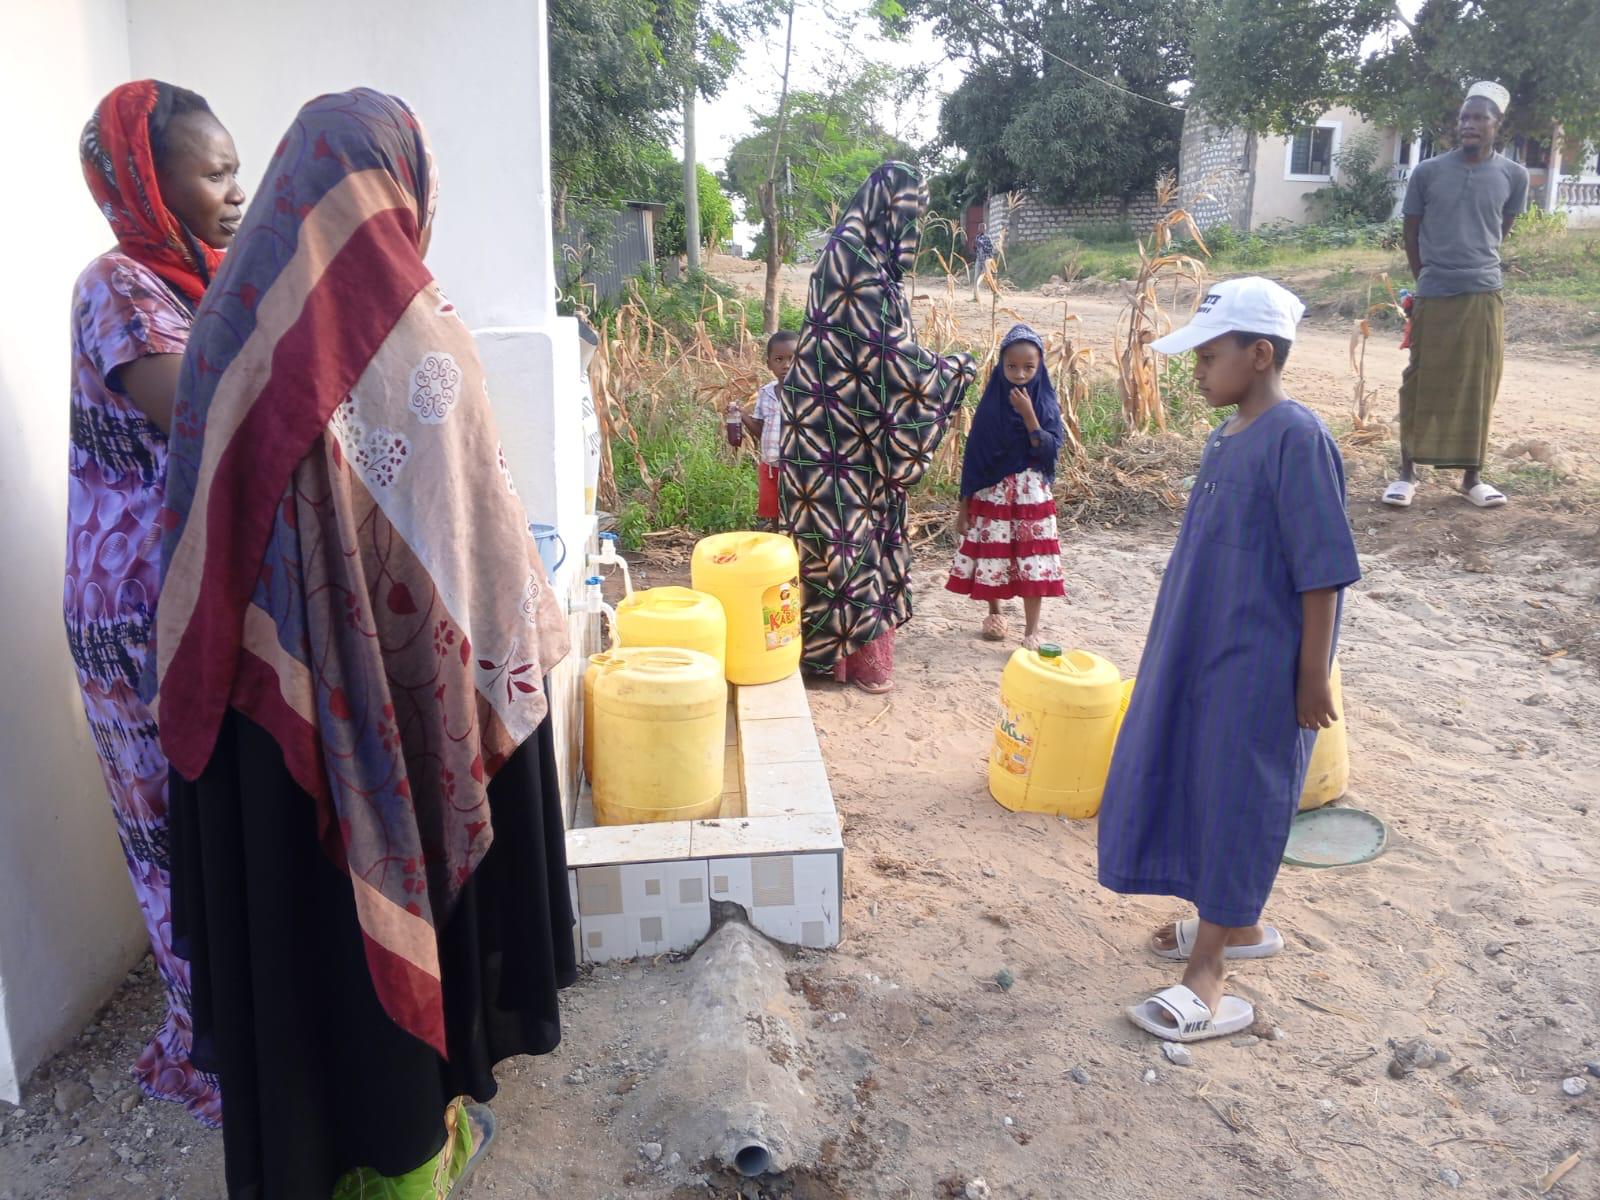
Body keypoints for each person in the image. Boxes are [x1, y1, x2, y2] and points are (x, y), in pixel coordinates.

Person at [153, 90, 576, 1198]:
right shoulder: (413, 330)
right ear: (398, 186)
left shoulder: (225, 330)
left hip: (259, 722)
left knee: (295, 952)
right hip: (383, 722)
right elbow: (479, 552)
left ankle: (321, 1165)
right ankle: (407, 1158)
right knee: (378, 932)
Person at [1098, 277, 1360, 1043]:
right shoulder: (1228, 435)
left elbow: (1321, 571)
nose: (1197, 372)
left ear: (1261, 354)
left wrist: (1311, 675)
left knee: (1242, 794)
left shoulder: (1297, 438)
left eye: (1209, 357)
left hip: (1259, 662)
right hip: (1200, 644)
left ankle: (1207, 971)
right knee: (1198, 778)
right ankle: (1235, 924)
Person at [64, 79, 245, 1128]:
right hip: (132, 604)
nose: (236, 190)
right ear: (147, 180)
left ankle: (238, 1029)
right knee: (169, 833)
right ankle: (208, 1051)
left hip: (184, 592)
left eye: (236, 169)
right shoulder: (119, 285)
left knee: (210, 818)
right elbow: (202, 408)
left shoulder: (198, 277)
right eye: (214, 173)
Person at [780, 162, 976, 695]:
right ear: (890, 212)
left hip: (826, 426)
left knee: (833, 540)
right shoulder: (859, 269)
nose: (911, 230)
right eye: (910, 215)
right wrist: (950, 372)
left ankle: (828, 659)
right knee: (849, 539)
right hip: (836, 435)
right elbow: (887, 361)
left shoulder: (845, 260)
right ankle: (855, 662)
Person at [1384, 80, 1528, 510]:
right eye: (1464, 117)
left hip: (1484, 294)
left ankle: (1472, 479)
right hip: (1435, 293)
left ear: (1497, 125)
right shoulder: (1428, 172)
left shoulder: (1514, 176)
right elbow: (1411, 231)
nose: (1469, 125)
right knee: (1420, 381)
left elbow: (1500, 230)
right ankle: (1406, 474)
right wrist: (1427, 277)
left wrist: (1474, 264)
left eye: (1479, 118)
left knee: (1478, 383)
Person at [946, 323, 1066, 648]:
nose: (1020, 373)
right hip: (992, 495)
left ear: (1039, 366)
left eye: (1028, 366)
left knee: (1033, 560)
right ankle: (994, 612)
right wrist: (964, 506)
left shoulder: (1044, 403)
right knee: (992, 554)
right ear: (1001, 365)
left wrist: (1029, 415)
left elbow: (1049, 450)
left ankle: (1032, 630)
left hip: (1031, 496)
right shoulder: (991, 406)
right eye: (1012, 366)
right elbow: (975, 458)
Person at [738, 330, 798, 530]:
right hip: (770, 466)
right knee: (772, 510)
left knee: (797, 510)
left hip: (798, 468)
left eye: (792, 359)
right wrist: (742, 415)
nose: (786, 365)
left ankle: (795, 543)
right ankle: (776, 540)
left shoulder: (808, 395)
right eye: (779, 359)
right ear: (769, 364)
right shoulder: (765, 393)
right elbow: (760, 430)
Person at [971, 221, 996, 302]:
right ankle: (976, 297)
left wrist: (982, 245)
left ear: (985, 229)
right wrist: (974, 246)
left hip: (986, 260)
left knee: (989, 279)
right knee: (976, 279)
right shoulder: (977, 237)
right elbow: (976, 250)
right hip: (979, 260)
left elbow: (991, 250)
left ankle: (996, 295)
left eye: (982, 227)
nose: (981, 229)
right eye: (980, 227)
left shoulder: (988, 237)